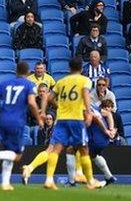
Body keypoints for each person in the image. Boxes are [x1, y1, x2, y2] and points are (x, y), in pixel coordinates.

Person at [39, 58, 106, 190]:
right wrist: (88, 112)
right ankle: (90, 181)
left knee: (56, 148)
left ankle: (48, 179)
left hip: (62, 119)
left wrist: (46, 110)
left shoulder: (61, 81)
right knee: (84, 148)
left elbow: (48, 97)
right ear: (81, 69)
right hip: (76, 119)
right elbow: (86, 95)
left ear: (69, 68)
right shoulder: (84, 80)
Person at [0, 61, 42, 190]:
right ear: (28, 73)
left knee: (9, 151)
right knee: (17, 155)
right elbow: (32, 103)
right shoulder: (29, 84)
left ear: (16, 71)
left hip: (2, 120)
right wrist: (39, 119)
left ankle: (5, 183)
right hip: (16, 122)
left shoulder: (4, 84)